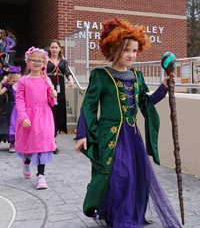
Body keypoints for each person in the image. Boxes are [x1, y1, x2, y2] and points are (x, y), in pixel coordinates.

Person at [75, 18, 181, 227]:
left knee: (135, 178)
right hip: (110, 137)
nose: (132, 55)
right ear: (113, 49)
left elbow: (145, 103)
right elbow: (88, 106)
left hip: (132, 137)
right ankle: (120, 218)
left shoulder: (136, 76)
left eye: (135, 51)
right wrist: (82, 134)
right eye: (127, 50)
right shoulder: (101, 76)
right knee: (119, 176)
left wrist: (163, 88)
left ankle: (128, 216)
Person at [15, 47, 57, 190]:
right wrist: (23, 116)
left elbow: (51, 103)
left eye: (40, 61)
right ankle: (26, 162)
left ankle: (41, 175)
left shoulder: (46, 80)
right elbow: (20, 100)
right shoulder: (23, 81)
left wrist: (52, 95)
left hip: (44, 116)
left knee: (42, 145)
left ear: (44, 63)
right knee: (28, 144)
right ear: (28, 62)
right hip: (28, 116)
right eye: (34, 60)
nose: (37, 63)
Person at [47, 40, 74, 154]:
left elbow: (67, 72)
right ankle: (51, 140)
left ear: (59, 49)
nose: (54, 49)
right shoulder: (45, 60)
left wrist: (71, 80)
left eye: (56, 47)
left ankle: (54, 137)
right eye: (52, 47)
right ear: (49, 49)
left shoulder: (63, 61)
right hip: (48, 88)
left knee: (58, 112)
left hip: (60, 89)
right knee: (50, 112)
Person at [0, 66, 21, 152]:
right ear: (9, 81)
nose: (16, 83)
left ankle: (13, 143)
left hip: (19, 108)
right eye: (13, 81)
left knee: (16, 125)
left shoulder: (21, 87)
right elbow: (0, 92)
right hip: (9, 108)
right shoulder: (8, 86)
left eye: (17, 81)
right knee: (7, 124)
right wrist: (1, 83)